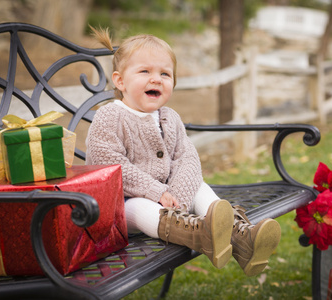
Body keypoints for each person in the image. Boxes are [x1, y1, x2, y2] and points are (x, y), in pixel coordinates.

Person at [86, 27, 281, 276]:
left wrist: (177, 197)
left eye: (165, 74)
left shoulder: (170, 118)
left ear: (173, 83)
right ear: (120, 81)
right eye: (145, 71)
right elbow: (110, 165)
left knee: (198, 184)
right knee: (139, 207)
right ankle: (203, 235)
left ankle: (242, 238)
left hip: (171, 204)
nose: (156, 78)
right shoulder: (110, 116)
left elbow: (187, 158)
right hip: (121, 209)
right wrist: (156, 191)